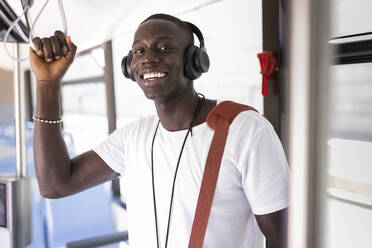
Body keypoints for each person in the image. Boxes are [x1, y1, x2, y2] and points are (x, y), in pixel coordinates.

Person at [30, 13, 289, 248]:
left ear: (194, 61)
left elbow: (287, 238)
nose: (148, 58)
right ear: (129, 67)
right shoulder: (133, 137)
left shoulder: (245, 131)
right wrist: (47, 84)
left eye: (164, 47)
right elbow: (55, 184)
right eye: (138, 51)